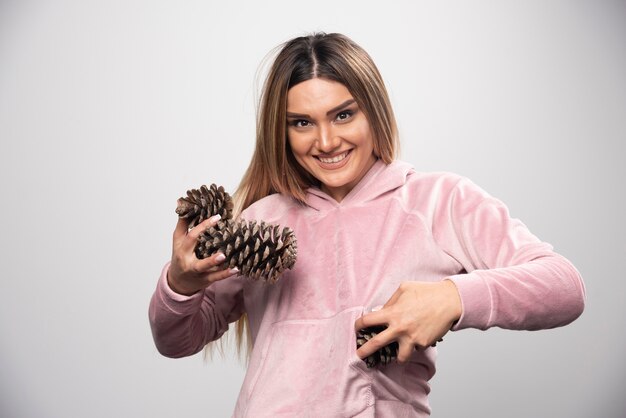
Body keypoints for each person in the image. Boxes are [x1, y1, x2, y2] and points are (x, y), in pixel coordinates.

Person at [149, 32, 586, 417]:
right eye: (302, 123)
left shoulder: (438, 201)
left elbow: (563, 286)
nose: (326, 141)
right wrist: (180, 283)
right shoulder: (262, 221)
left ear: (373, 111)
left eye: (343, 115)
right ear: (281, 133)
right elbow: (176, 341)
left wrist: (453, 298)